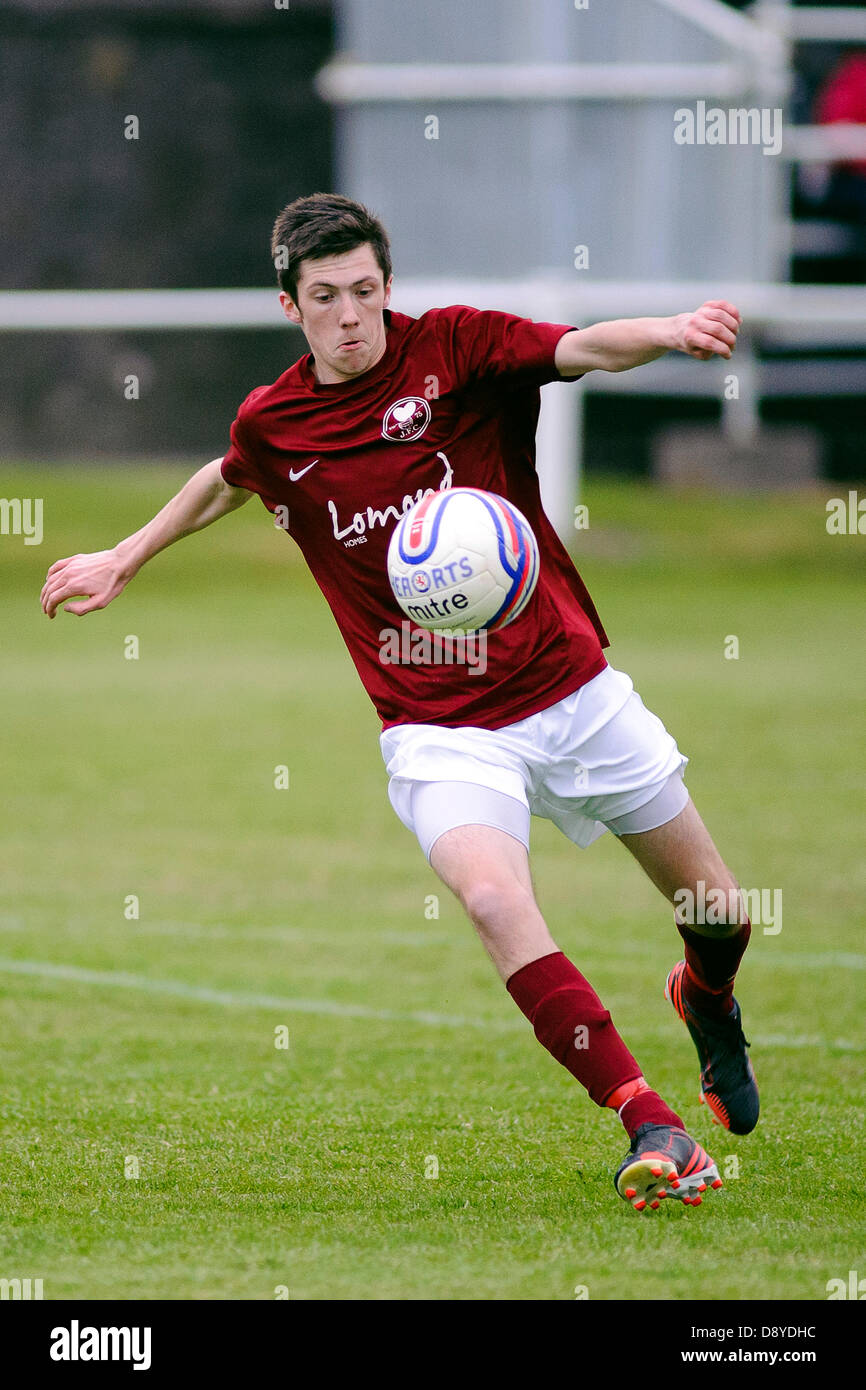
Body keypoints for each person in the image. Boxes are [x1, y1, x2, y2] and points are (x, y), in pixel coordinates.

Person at [41, 193, 758, 1213]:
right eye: (325, 297)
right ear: (289, 306)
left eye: (365, 291)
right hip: (433, 726)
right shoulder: (275, 420)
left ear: (389, 284)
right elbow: (231, 475)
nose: (349, 315)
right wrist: (125, 553)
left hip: (566, 686)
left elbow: (579, 347)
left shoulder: (456, 351)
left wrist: (670, 330)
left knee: (717, 909)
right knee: (490, 898)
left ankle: (706, 993)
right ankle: (649, 1121)